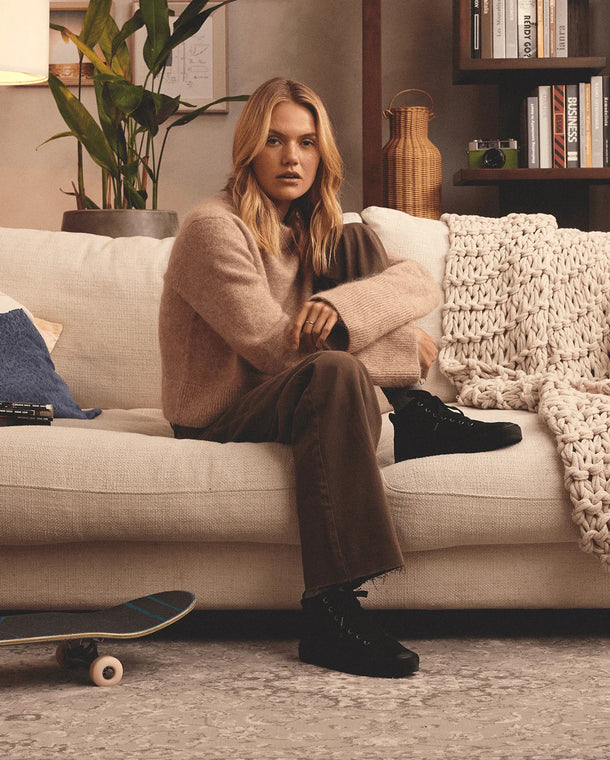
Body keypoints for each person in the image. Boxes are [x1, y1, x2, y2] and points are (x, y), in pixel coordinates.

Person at [159, 78, 521, 679]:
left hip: (290, 389)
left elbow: (418, 283)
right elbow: (273, 349)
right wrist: (400, 347)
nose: (291, 157)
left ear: (321, 152)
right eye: (274, 140)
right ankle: (330, 612)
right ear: (249, 149)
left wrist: (345, 307)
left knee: (351, 245)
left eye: (306, 142)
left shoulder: (315, 227)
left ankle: (412, 415)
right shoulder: (212, 229)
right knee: (332, 369)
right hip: (221, 412)